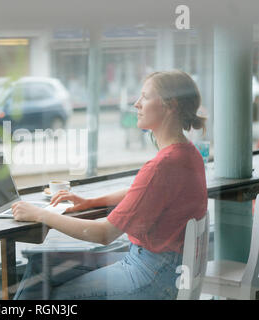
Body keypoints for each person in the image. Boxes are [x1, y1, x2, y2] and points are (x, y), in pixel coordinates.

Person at [12, 70, 208, 300]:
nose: (136, 104)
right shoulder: (187, 153)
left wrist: (39, 214)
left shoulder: (162, 165)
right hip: (164, 267)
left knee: (53, 296)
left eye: (145, 97)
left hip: (152, 274)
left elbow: (104, 234)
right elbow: (142, 193)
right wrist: (90, 202)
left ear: (170, 105)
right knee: (40, 266)